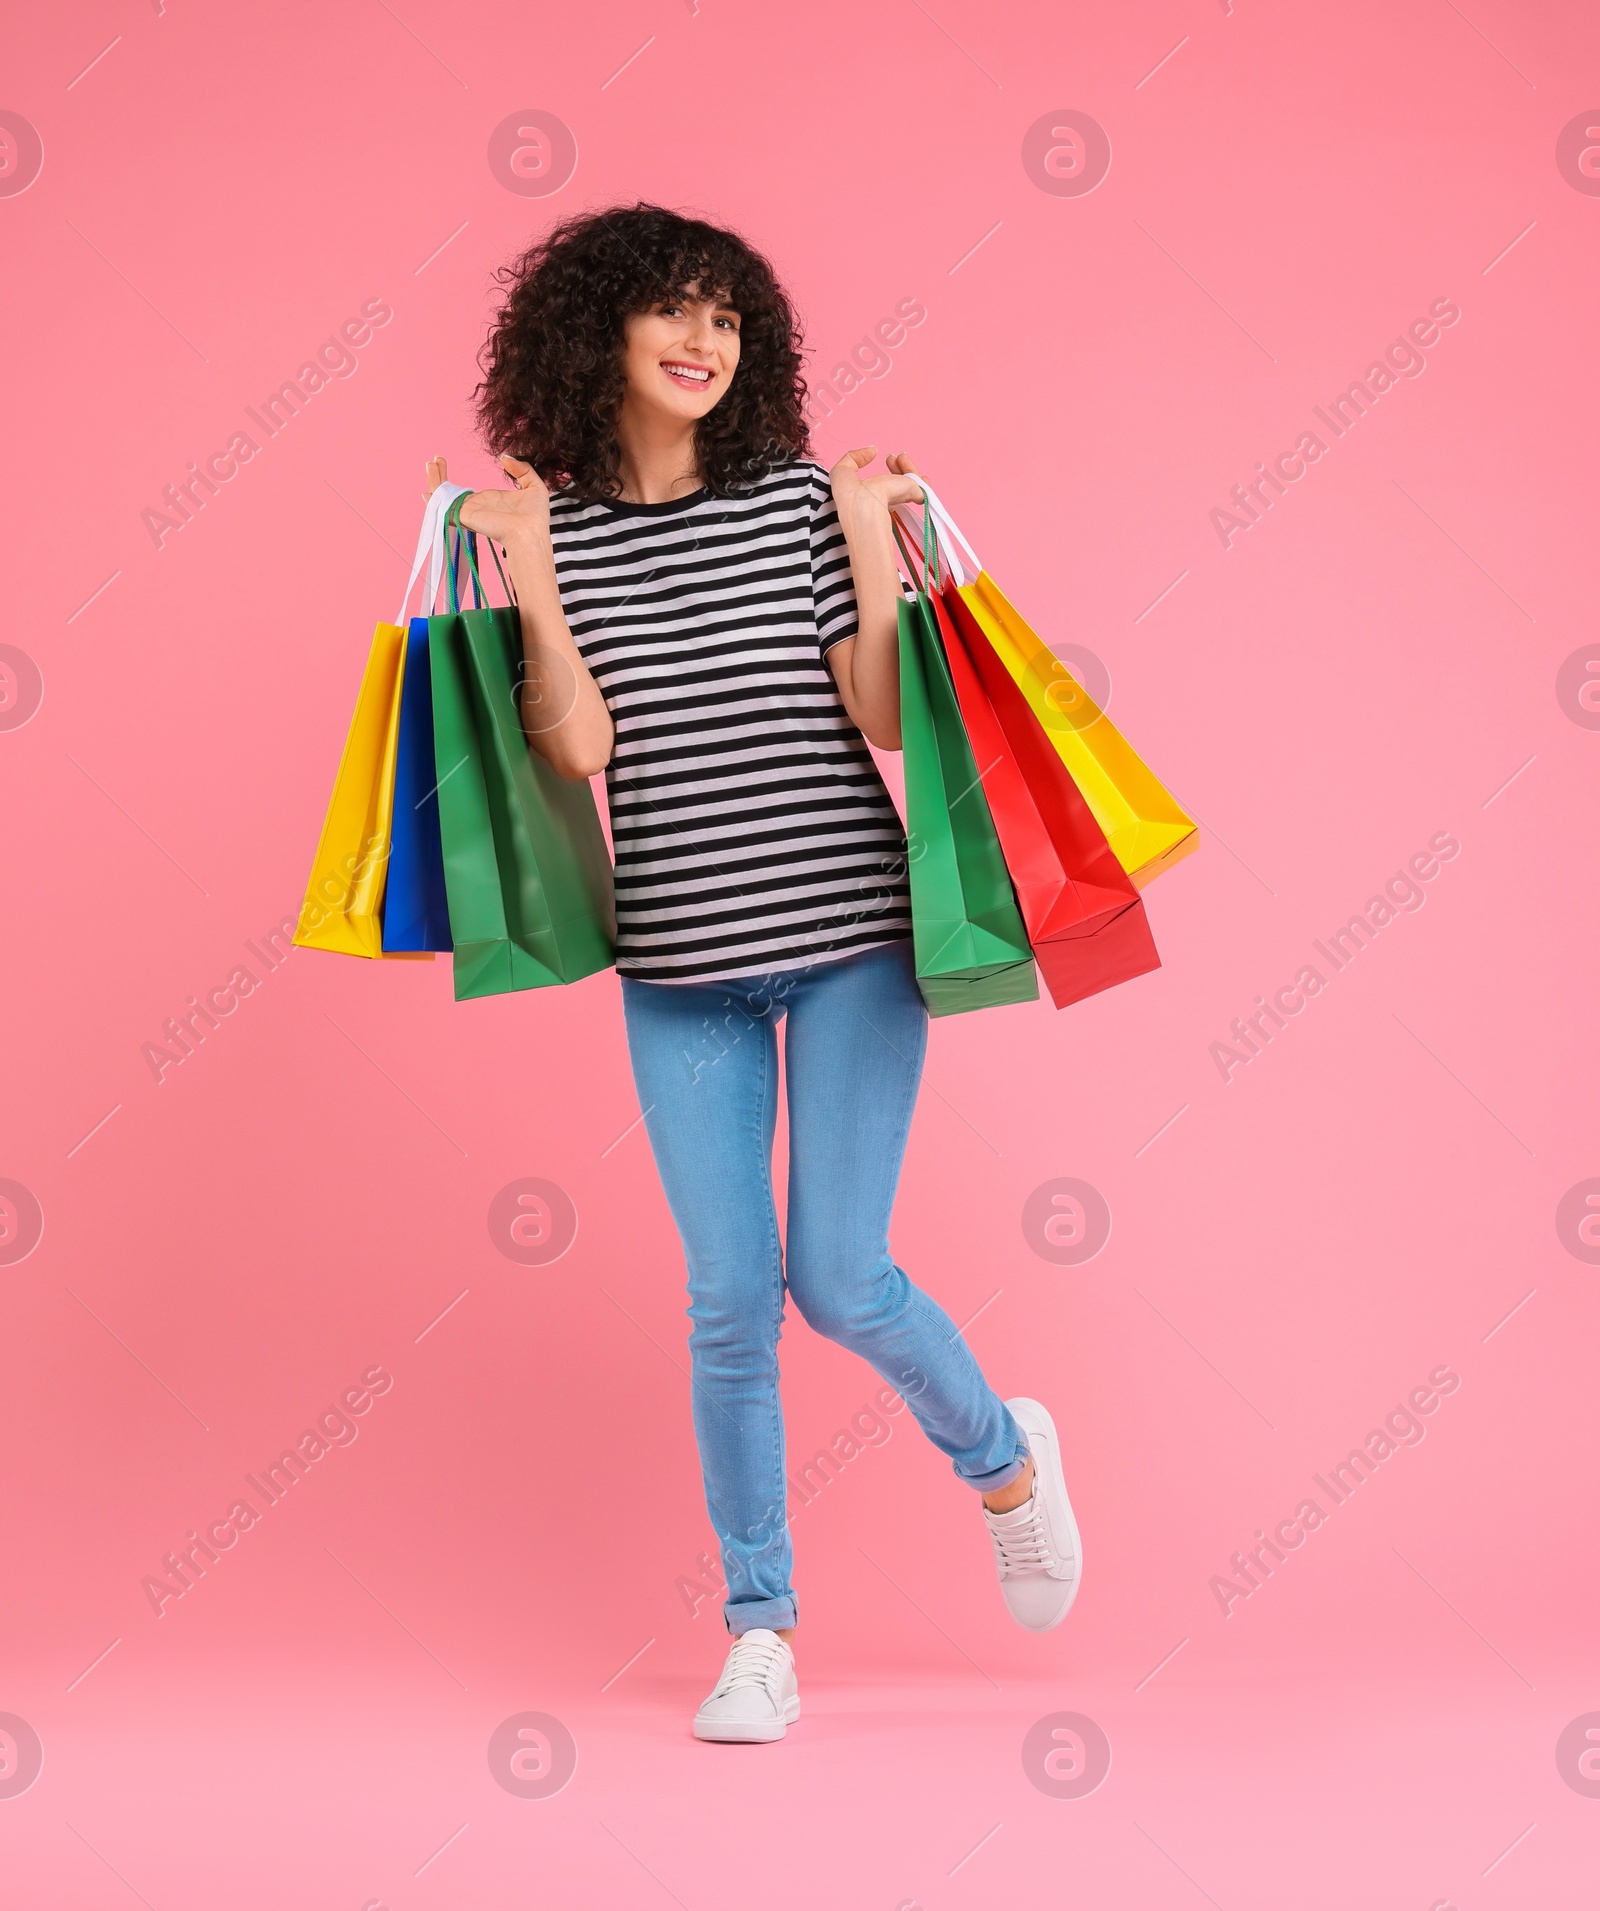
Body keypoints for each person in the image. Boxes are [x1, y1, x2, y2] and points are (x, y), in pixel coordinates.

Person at [431, 204, 1080, 1744]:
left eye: (727, 316)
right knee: (731, 1303)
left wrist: (862, 532)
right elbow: (578, 749)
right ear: (598, 336)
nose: (704, 339)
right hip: (681, 969)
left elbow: (871, 707)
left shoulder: (794, 500)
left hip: (854, 948)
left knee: (839, 1282)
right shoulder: (558, 530)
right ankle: (761, 1628)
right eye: (673, 310)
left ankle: (1005, 1464)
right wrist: (527, 569)